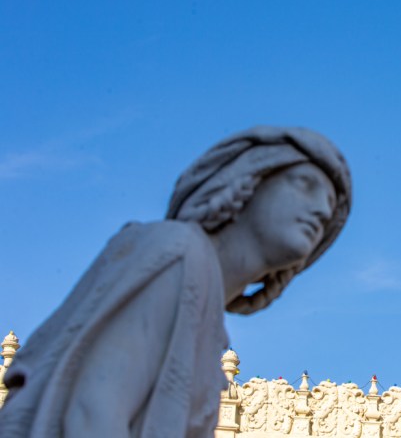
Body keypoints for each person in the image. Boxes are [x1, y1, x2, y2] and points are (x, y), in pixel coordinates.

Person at [0, 126, 351, 438]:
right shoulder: (176, 252)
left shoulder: (207, 311)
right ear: (248, 180)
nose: (321, 211)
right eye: (305, 185)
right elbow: (92, 411)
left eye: (329, 205)